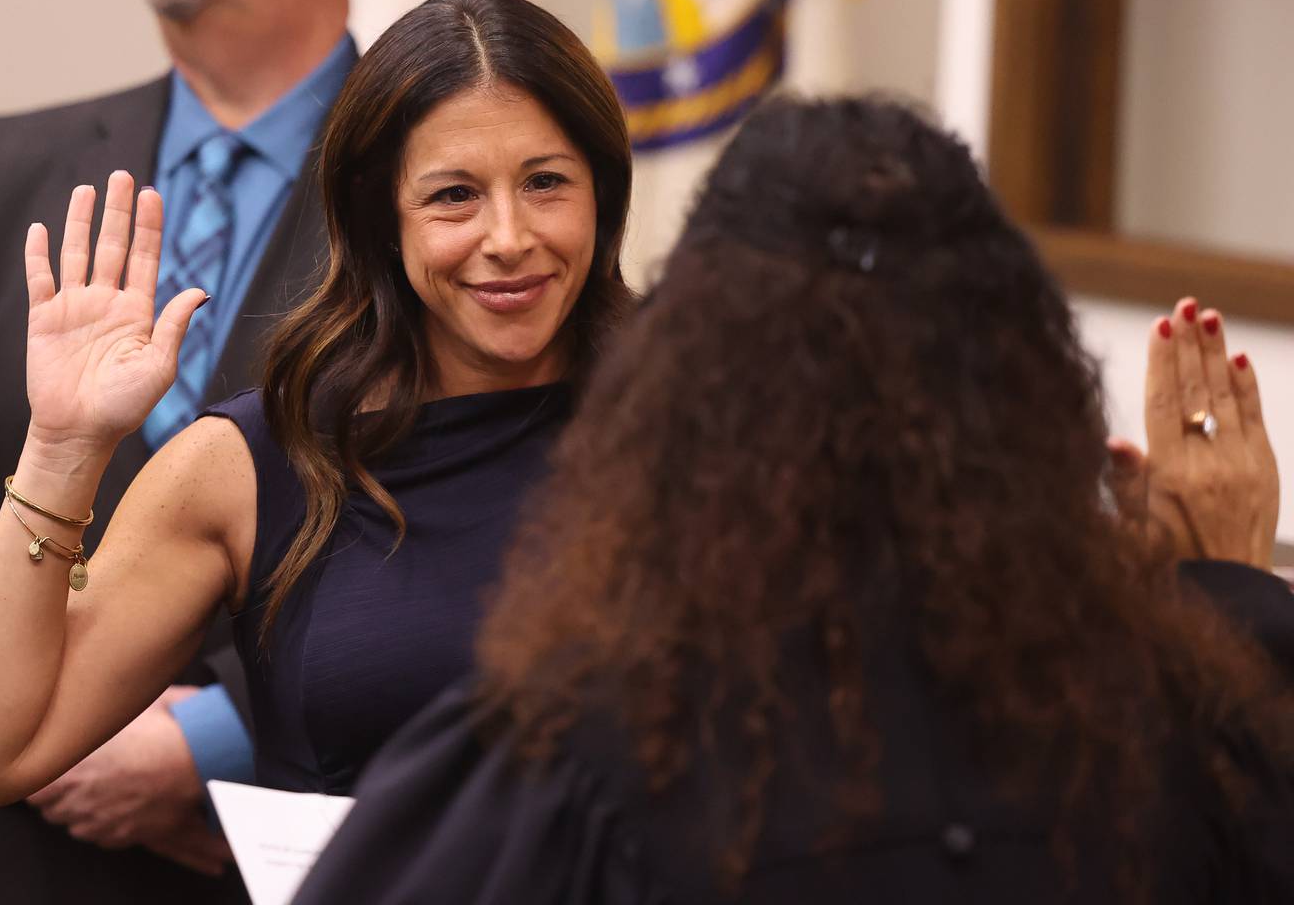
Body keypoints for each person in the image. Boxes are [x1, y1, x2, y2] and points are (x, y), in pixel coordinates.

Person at [293, 96, 1294, 904]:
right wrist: (1231, 594)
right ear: (1029, 391)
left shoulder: (575, 753)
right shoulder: (1182, 733)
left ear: (678, 401)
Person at [0, 0, 635, 827]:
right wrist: (63, 446)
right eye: (455, 195)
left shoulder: (698, 434)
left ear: (602, 191)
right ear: (383, 219)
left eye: (547, 181)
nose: (510, 236)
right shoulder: (255, 460)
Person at [0, 0, 359, 901]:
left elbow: (460, 518)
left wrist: (209, 738)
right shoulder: (3, 165)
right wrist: (39, 721)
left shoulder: (437, 178)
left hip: (268, 845)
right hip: (6, 853)